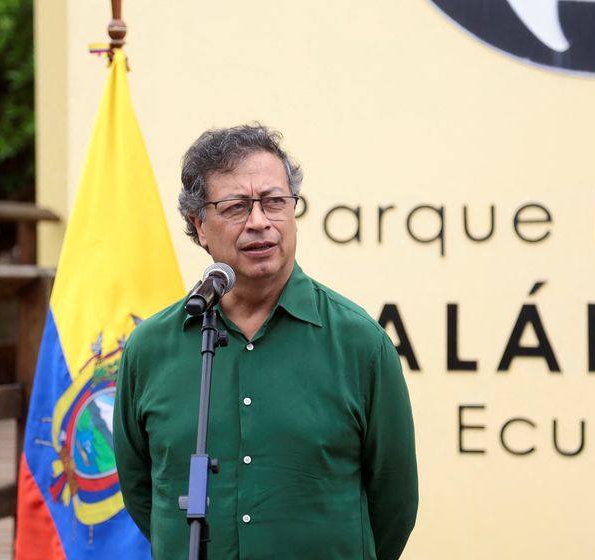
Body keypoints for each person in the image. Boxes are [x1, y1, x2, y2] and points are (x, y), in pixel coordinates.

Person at [113, 123, 418, 559]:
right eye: (236, 207)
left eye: (275, 202)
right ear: (199, 225)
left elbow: (395, 501)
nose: (260, 222)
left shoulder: (359, 343)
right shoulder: (151, 349)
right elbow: (141, 490)